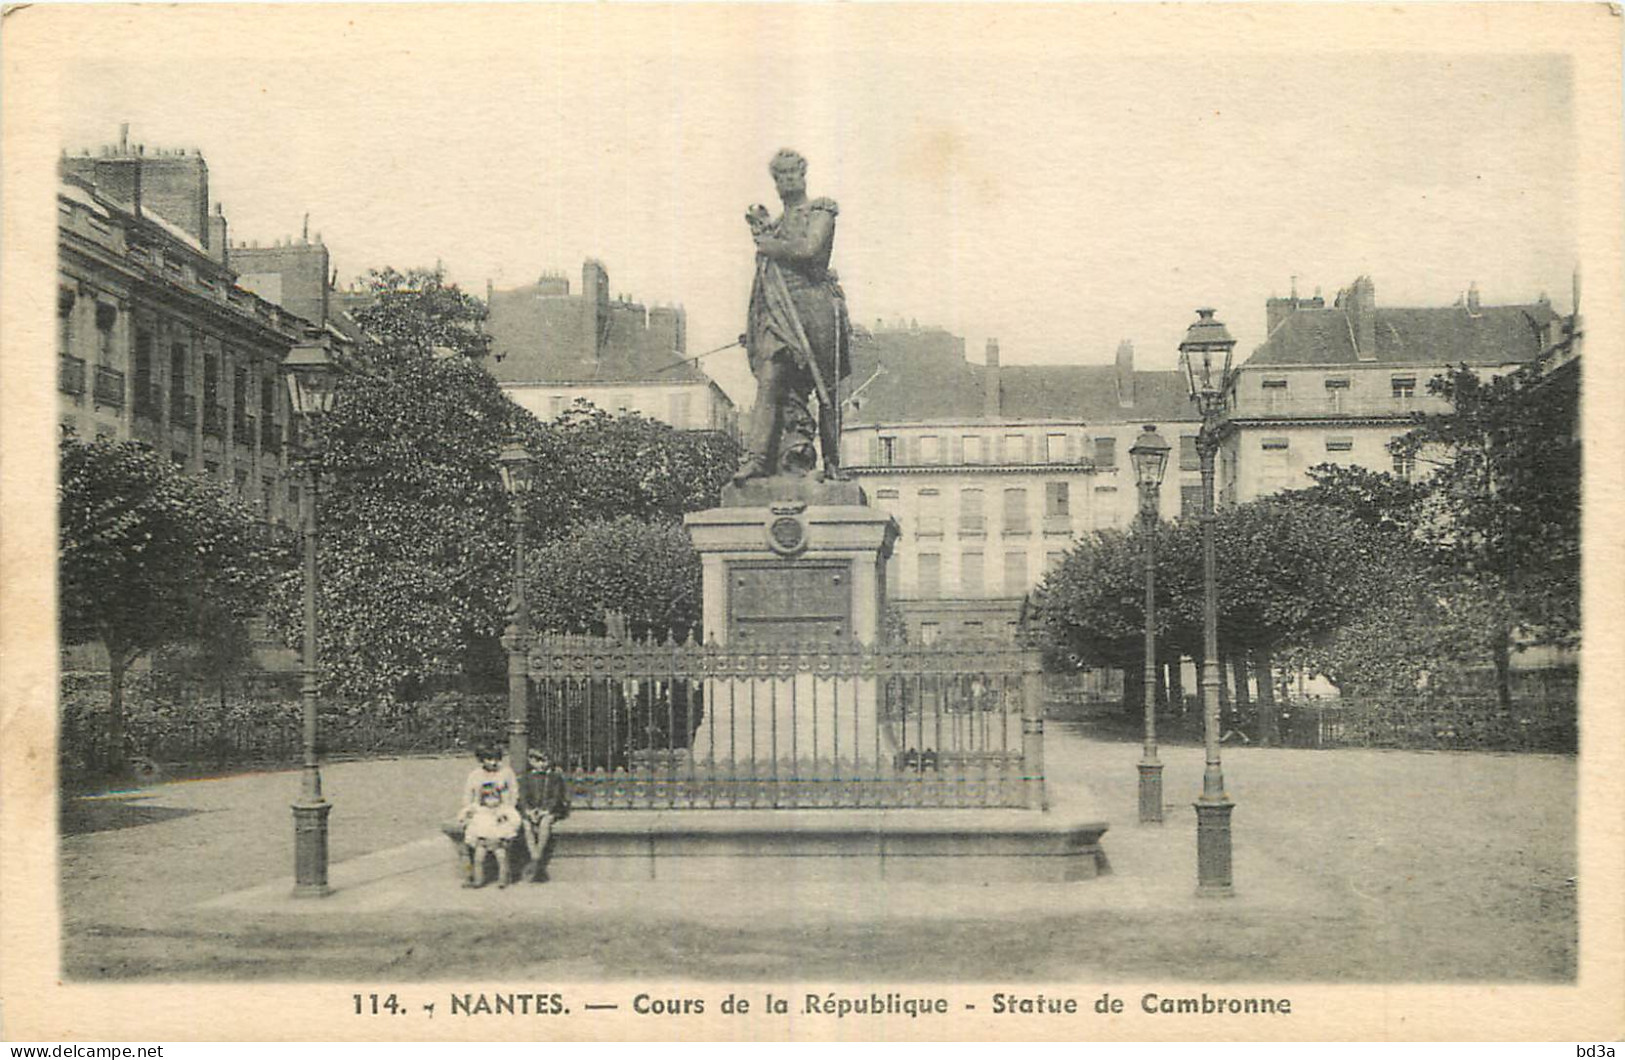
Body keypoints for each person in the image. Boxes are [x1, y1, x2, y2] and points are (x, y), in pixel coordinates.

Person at [732, 148, 852, 485]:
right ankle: (756, 459)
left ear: (803, 175)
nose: (786, 180)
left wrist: (770, 246)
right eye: (779, 176)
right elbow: (762, 285)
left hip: (815, 309)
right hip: (779, 315)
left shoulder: (821, 211)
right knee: (770, 381)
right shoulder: (775, 226)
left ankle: (832, 462)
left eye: (791, 173)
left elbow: (809, 250)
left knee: (827, 390)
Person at [456, 743, 519, 888]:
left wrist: (506, 811)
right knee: (472, 846)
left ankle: (504, 878)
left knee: (501, 850)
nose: (494, 762)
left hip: (501, 810)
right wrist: (469, 810)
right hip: (480, 811)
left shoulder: (506, 772)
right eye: (489, 759)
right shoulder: (475, 775)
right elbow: (468, 795)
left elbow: (513, 794)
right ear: (482, 760)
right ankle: (473, 876)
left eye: (496, 759)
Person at [518, 746, 570, 883]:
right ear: (531, 761)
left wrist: (545, 810)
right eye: (538, 761)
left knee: (545, 823)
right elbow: (523, 797)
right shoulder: (526, 777)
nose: (542, 764)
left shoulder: (554, 777)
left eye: (545, 761)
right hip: (533, 810)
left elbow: (556, 796)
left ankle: (536, 858)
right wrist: (529, 811)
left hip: (550, 810)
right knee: (526, 824)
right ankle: (535, 855)